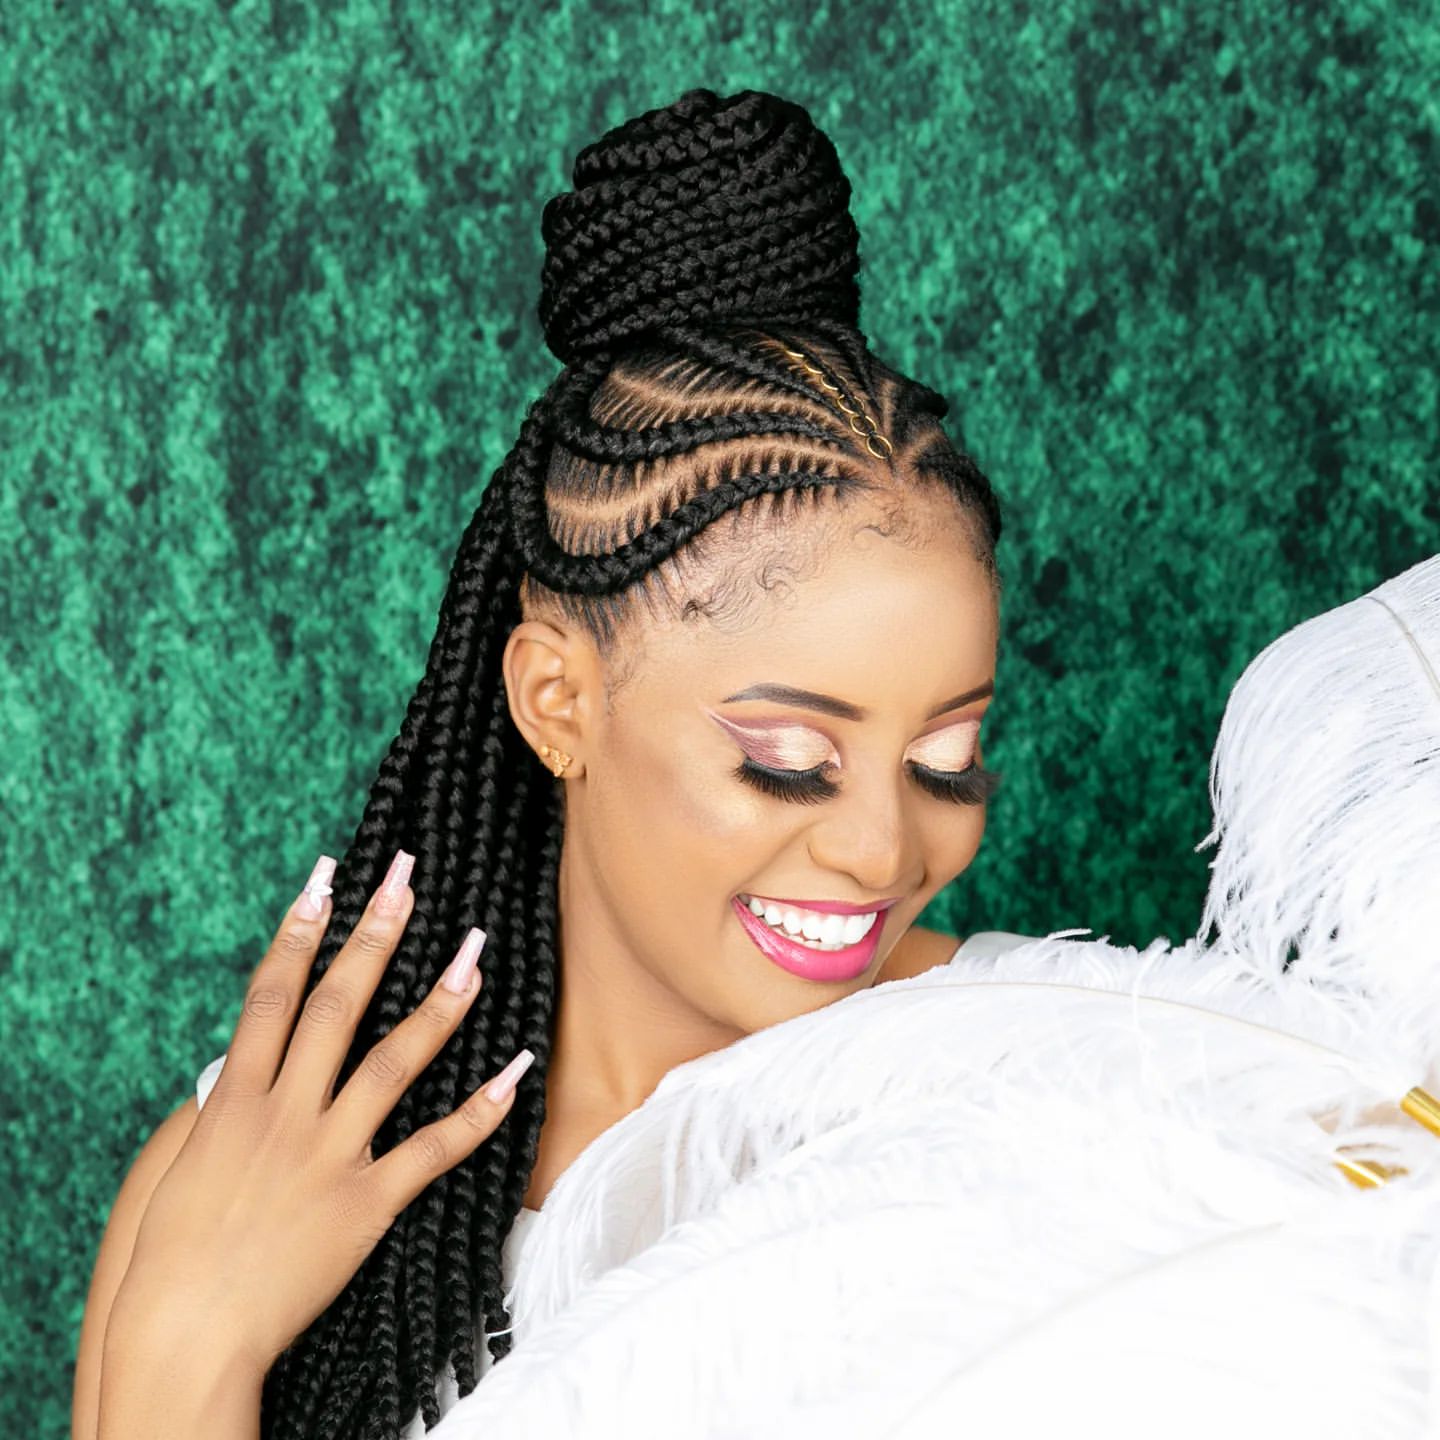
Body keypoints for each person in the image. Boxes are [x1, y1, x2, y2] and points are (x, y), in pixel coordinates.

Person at [74, 85, 1032, 1440]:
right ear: (555, 700)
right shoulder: (228, 1184)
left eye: (947, 756)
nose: (883, 849)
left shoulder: (1047, 1088)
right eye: (788, 760)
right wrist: (190, 1337)